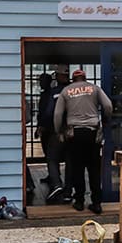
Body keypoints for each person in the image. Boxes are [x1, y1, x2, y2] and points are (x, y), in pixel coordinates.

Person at [54, 69, 112, 214]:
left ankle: (79, 201)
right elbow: (108, 106)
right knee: (94, 168)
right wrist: (105, 120)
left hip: (74, 133)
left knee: (77, 168)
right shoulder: (95, 89)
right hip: (92, 132)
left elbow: (57, 114)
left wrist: (58, 131)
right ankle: (97, 203)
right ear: (85, 78)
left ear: (73, 79)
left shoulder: (66, 91)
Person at [40, 66, 70, 204]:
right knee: (71, 160)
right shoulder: (74, 90)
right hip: (74, 130)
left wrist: (45, 126)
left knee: (52, 158)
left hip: (57, 129)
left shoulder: (54, 93)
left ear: (58, 76)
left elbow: (49, 113)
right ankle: (69, 190)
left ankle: (57, 184)